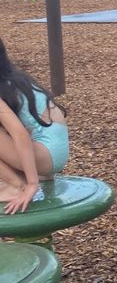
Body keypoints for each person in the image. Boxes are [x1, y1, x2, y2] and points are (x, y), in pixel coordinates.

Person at [0, 39, 69, 214]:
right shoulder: (15, 81)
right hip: (53, 155)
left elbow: (20, 134)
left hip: (45, 155)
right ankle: (21, 179)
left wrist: (32, 184)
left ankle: (15, 186)